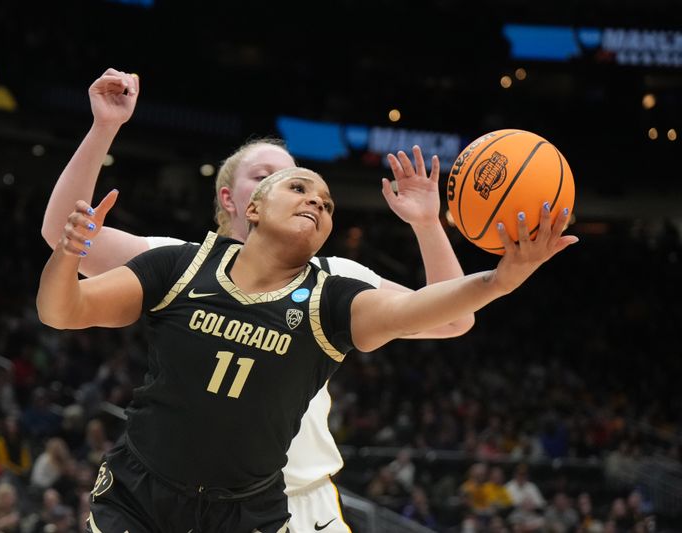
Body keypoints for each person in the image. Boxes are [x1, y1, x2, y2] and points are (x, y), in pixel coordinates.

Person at [41, 68, 476, 532]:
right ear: (233, 199)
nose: (298, 190)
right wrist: (104, 127)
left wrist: (429, 225)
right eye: (267, 176)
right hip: (174, 493)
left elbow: (453, 321)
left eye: (295, 178)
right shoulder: (181, 262)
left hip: (298, 502)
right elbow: (62, 233)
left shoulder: (337, 278)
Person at [37, 164, 577, 532]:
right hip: (141, 493)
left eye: (326, 203)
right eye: (299, 189)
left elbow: (435, 312)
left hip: (248, 511)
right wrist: (67, 250)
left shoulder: (334, 296)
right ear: (250, 208)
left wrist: (502, 280)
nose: (316, 203)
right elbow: (63, 311)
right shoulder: (180, 265)